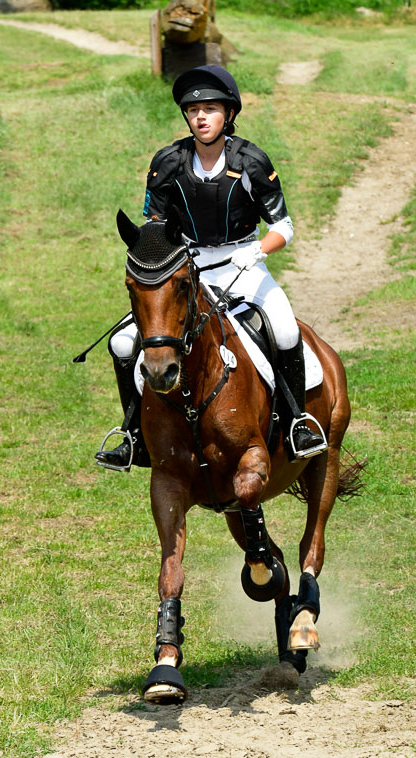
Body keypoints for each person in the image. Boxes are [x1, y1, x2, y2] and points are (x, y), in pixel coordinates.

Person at [95, 65, 327, 470]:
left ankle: (296, 424)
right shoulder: (167, 162)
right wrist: (158, 261)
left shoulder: (251, 161)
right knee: (121, 342)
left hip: (244, 263)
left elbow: (283, 226)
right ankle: (133, 437)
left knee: (286, 328)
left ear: (229, 115)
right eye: (193, 110)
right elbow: (154, 228)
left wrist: (257, 251)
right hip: (187, 267)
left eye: (211, 109)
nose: (201, 117)